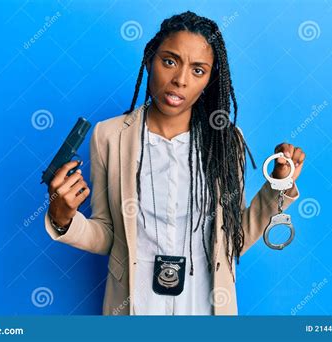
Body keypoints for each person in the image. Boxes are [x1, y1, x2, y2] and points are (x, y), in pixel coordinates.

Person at [44, 11, 305, 315]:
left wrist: (278, 186)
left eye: (198, 70)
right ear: (150, 60)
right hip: (133, 306)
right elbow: (108, 236)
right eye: (169, 61)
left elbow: (234, 239)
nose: (180, 80)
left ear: (210, 80)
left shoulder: (225, 141)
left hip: (204, 306)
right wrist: (63, 218)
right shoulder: (109, 136)